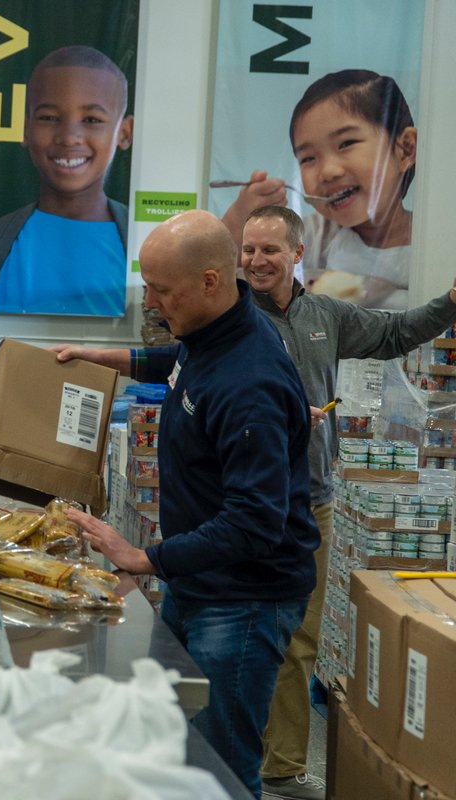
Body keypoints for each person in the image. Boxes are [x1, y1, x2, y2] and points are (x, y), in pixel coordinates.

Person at [55, 210, 319, 799]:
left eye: (161, 290)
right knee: (175, 745)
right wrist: (100, 359)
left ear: (208, 281)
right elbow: (174, 365)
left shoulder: (249, 382)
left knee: (219, 769)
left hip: (243, 600)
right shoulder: (211, 335)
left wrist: (146, 558)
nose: (150, 302)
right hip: (198, 582)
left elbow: (256, 523)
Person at [241, 204, 456, 799]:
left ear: (296, 254)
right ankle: (228, 751)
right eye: (248, 250)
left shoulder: (324, 317)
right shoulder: (228, 319)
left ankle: (281, 766)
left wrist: (451, 302)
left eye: (269, 250)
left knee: (299, 637)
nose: (256, 261)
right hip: (242, 504)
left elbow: (393, 334)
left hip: (312, 502)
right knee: (239, 629)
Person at [0, 45, 133, 315]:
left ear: (124, 132)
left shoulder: (144, 244)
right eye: (49, 117)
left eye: (91, 119)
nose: (68, 137)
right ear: (25, 128)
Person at [221, 69, 417, 310]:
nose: (328, 172)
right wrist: (240, 217)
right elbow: (213, 276)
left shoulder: (434, 239)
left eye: (346, 143)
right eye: (308, 158)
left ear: (405, 149)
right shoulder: (312, 236)